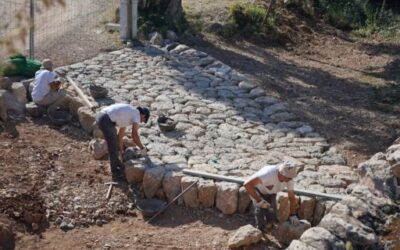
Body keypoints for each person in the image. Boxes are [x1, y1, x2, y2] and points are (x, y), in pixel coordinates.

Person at [95, 103, 150, 180]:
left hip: (101, 116)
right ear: (143, 115)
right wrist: (142, 148)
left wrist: (121, 151)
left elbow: (120, 135)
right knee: (112, 146)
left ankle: (117, 163)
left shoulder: (129, 113)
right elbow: (134, 135)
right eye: (143, 120)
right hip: (105, 119)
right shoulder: (137, 114)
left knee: (114, 142)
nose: (141, 122)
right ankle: (115, 172)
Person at [244, 160, 301, 231]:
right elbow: (247, 184)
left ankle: (271, 226)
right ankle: (260, 230)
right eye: (288, 177)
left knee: (272, 210)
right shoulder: (267, 174)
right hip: (257, 190)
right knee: (260, 211)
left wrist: (293, 214)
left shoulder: (289, 180)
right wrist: (259, 200)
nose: (290, 179)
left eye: (291, 177)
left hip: (271, 192)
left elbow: (291, 197)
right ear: (282, 173)